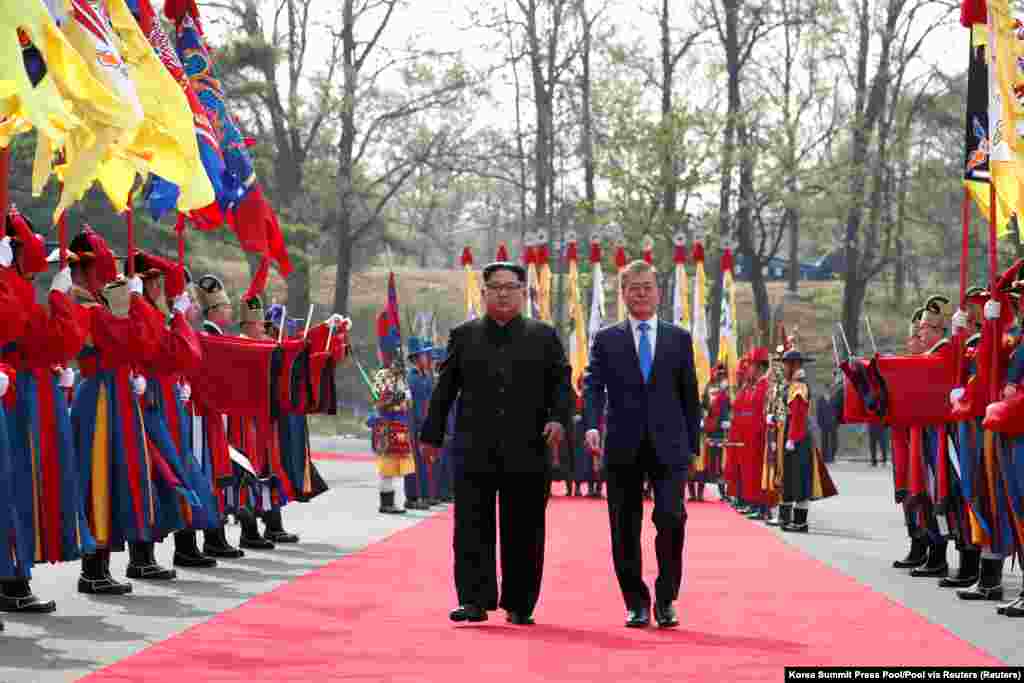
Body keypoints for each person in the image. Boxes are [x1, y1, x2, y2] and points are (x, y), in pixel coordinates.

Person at [419, 260, 572, 626]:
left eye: (511, 286)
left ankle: (520, 603)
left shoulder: (544, 336)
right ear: (484, 292)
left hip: (529, 447)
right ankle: (474, 600)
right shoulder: (464, 335)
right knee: (472, 526)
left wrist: (557, 418)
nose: (503, 293)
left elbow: (562, 386)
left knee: (525, 527)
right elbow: (445, 390)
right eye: (496, 287)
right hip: (475, 446)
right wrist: (431, 435)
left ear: (523, 292)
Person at [582, 259, 700, 629]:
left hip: (670, 446)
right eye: (633, 287)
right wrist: (590, 424)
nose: (641, 293)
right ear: (623, 293)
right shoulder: (606, 338)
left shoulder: (679, 338)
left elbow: (689, 395)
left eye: (647, 286)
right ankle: (635, 601)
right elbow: (592, 387)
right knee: (624, 526)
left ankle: (666, 599)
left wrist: (692, 447)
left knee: (671, 518)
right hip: (622, 445)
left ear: (658, 292)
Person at [404, 336, 436, 510]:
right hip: (415, 426)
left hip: (425, 425)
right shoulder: (411, 378)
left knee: (423, 463)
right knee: (413, 463)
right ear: (416, 358)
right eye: (424, 356)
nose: (427, 359)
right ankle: (411, 497)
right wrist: (415, 426)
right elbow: (411, 406)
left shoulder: (426, 377)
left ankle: (422, 495)